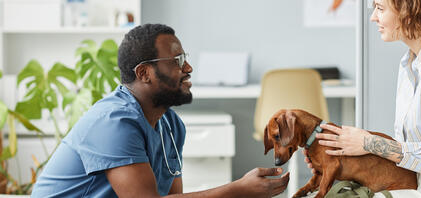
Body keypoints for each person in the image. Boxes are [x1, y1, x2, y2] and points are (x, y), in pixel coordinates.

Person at [32, 24, 289, 198]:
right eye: (177, 60)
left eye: (185, 58)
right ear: (144, 73)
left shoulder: (171, 124)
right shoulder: (112, 122)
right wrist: (237, 190)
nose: (188, 67)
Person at [304, 0, 421, 197]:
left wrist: (368, 142)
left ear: (408, 11)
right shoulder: (411, 63)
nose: (373, 17)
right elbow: (409, 150)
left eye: (380, 8)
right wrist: (341, 158)